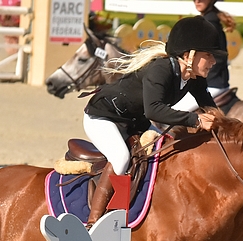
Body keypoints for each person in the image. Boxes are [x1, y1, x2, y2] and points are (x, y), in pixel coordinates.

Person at [82, 15, 226, 226]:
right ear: (189, 55)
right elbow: (154, 111)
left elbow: (210, 108)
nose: (213, 62)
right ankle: (94, 221)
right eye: (209, 55)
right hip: (103, 118)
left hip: (133, 122)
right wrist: (195, 121)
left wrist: (229, 127)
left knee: (166, 149)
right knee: (121, 157)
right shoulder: (161, 70)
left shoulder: (193, 77)